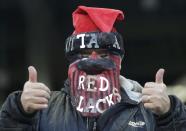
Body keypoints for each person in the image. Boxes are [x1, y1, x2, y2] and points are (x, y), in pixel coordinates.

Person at [0, 5, 186, 131]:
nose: (94, 62)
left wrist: (170, 115)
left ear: (119, 61)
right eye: (84, 55)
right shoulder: (43, 110)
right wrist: (19, 111)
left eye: (104, 55)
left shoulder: (147, 111)